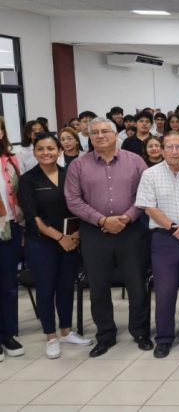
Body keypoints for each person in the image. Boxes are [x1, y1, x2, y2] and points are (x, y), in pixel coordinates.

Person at [64, 117, 152, 357]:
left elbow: (146, 193)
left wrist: (126, 218)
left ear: (115, 135)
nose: (100, 136)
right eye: (95, 133)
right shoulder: (78, 166)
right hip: (94, 233)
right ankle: (105, 335)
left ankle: (141, 331)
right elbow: (73, 200)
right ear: (89, 137)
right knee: (98, 287)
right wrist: (102, 220)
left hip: (131, 230)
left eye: (105, 131)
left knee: (136, 284)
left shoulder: (135, 161)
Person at [135, 131, 179, 358]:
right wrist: (176, 229)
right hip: (164, 239)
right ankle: (164, 338)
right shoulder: (150, 175)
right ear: (162, 150)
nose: (174, 151)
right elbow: (148, 207)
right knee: (165, 291)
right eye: (170, 147)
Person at [18, 133, 91, 358]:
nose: (46, 152)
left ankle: (67, 331)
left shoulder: (69, 174)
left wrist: (75, 236)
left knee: (66, 287)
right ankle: (51, 336)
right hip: (42, 243)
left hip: (70, 241)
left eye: (50, 148)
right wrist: (60, 238)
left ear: (59, 150)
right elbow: (33, 217)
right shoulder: (28, 179)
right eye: (40, 149)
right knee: (46, 289)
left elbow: (81, 205)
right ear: (35, 152)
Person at [0, 116, 24, 360]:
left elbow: (19, 194)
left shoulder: (11, 159)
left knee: (8, 286)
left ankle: (8, 334)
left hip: (9, 228)